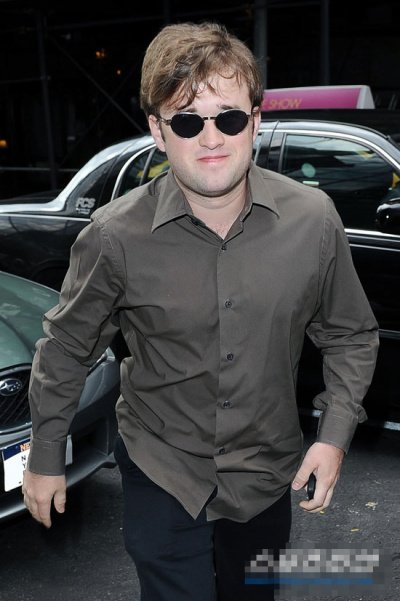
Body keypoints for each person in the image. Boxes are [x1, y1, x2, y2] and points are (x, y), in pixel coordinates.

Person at [22, 21, 379, 601]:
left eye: (228, 118)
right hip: (161, 469)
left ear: (255, 122)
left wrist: (333, 435)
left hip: (266, 473)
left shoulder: (313, 221)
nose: (211, 138)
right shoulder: (114, 236)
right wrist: (44, 457)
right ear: (158, 132)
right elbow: (65, 348)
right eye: (187, 121)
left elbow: (351, 335)